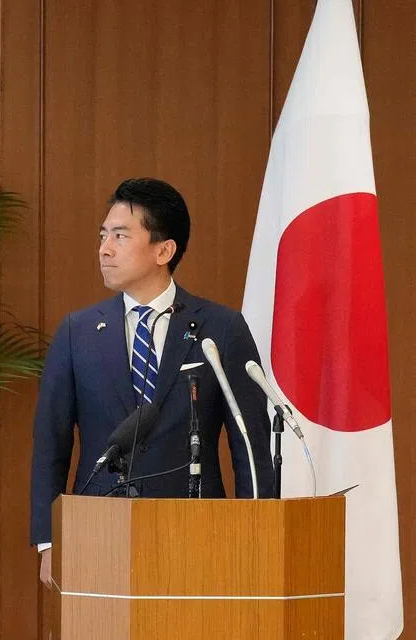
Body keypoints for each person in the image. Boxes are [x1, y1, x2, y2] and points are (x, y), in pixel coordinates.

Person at [30, 177, 275, 587]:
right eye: (104, 235)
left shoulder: (222, 328)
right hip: (97, 532)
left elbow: (249, 442)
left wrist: (259, 535)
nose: (104, 248)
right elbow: (50, 444)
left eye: (121, 236)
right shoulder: (78, 332)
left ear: (164, 249)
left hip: (198, 533)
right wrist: (47, 540)